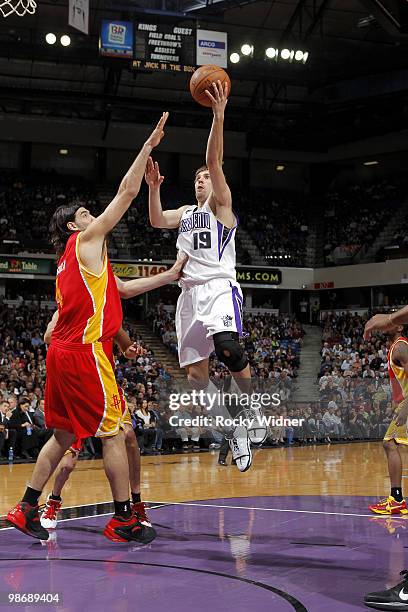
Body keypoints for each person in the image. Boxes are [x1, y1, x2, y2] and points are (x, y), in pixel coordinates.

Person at [6, 112, 182, 543]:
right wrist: (147, 146)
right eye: (86, 213)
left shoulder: (72, 263)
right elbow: (127, 191)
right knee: (115, 433)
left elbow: (119, 290)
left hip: (61, 356)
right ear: (74, 226)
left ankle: (26, 507)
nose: (93, 216)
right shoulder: (85, 241)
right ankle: (123, 518)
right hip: (85, 354)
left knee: (63, 433)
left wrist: (169, 275)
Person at [146, 81, 267, 472]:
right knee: (197, 378)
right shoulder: (184, 212)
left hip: (218, 287)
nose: (202, 180)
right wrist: (153, 189)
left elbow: (214, 162)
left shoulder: (222, 209)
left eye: (207, 177)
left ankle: (252, 411)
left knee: (228, 347)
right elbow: (154, 219)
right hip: (188, 295)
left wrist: (219, 115)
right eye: (197, 178)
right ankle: (232, 431)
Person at [40, 325, 151, 530]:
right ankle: (53, 500)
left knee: (129, 437)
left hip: (105, 388)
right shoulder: (73, 310)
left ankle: (136, 503)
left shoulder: (108, 315)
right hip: (78, 388)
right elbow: (48, 336)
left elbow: (127, 348)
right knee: (67, 464)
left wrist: (131, 351)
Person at [368, 325, 408, 516]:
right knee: (390, 443)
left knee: (389, 443)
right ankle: (397, 499)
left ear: (400, 326)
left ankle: (397, 500)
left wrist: (405, 408)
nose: (387, 325)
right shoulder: (396, 347)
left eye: (392, 322)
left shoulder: (400, 347)